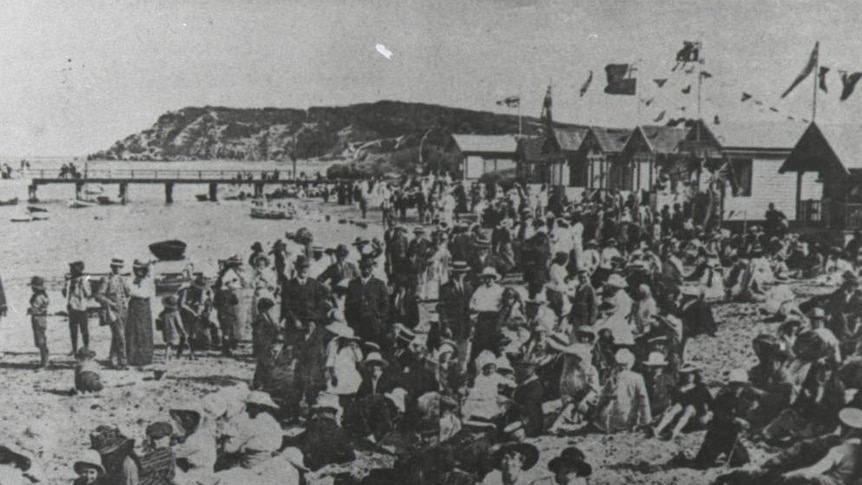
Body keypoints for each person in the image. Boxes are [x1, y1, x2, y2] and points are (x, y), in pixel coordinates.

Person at [778, 407, 862, 485]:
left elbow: (812, 472)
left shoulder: (839, 450)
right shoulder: (858, 450)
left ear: (847, 429)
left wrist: (789, 475)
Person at [693, 368, 751, 469]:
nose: (737, 387)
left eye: (740, 384)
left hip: (731, 437)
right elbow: (719, 416)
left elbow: (746, 416)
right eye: (734, 384)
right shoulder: (722, 397)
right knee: (701, 464)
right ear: (730, 384)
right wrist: (735, 419)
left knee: (743, 461)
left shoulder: (744, 400)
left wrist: (744, 423)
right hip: (716, 435)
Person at [594, 348, 651, 433]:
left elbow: (602, 398)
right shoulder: (637, 378)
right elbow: (644, 400)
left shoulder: (613, 377)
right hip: (627, 420)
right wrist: (645, 421)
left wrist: (596, 414)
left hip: (609, 419)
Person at [651, 363, 712, 440]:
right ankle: (658, 429)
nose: (689, 376)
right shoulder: (679, 388)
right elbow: (674, 401)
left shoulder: (701, 388)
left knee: (689, 408)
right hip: (680, 415)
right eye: (686, 374)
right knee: (677, 406)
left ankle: (675, 432)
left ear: (695, 375)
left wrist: (708, 415)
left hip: (696, 417)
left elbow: (711, 403)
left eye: (691, 374)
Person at [297, 392, 356, 471]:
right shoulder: (336, 429)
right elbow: (351, 456)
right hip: (332, 467)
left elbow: (304, 447)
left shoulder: (313, 426)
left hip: (317, 467)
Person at [281, 256, 331, 342]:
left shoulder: (314, 283)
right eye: (301, 267)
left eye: (306, 267)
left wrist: (315, 319)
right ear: (296, 268)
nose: (304, 270)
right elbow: (286, 306)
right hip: (295, 322)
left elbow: (320, 303)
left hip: (312, 321)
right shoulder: (289, 285)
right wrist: (295, 320)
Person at [438, 261, 474, 372]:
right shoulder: (445, 288)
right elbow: (442, 308)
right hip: (451, 324)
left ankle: (460, 374)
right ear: (453, 273)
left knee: (463, 352)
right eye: (458, 273)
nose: (461, 275)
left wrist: (472, 325)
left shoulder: (468, 287)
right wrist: (446, 325)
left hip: (465, 325)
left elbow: (471, 307)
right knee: (449, 352)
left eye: (463, 272)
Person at [345, 256, 390, 347]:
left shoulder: (379, 284)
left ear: (372, 268)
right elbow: (348, 304)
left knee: (372, 346)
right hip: (356, 324)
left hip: (372, 325)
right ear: (360, 268)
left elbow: (385, 305)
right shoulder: (353, 284)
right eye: (363, 267)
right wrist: (350, 320)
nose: (366, 270)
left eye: (368, 267)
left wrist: (379, 318)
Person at [95, 258, 130, 369]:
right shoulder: (106, 279)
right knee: (120, 336)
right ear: (112, 267)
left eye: (119, 267)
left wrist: (126, 301)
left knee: (118, 336)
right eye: (115, 266)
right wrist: (111, 303)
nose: (117, 269)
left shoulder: (123, 279)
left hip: (124, 310)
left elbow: (128, 293)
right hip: (113, 311)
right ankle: (122, 361)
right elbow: (98, 296)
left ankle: (113, 360)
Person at [469, 267, 506, 364]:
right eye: (486, 278)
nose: (489, 280)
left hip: (495, 319)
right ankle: (474, 367)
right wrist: (473, 308)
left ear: (494, 279)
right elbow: (472, 302)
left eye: (491, 278)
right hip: (482, 318)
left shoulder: (500, 290)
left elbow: (505, 305)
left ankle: (497, 365)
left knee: (493, 343)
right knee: (478, 344)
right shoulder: (480, 290)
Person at [126, 260, 155, 366]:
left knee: (144, 331)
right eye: (137, 269)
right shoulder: (130, 280)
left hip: (145, 305)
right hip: (134, 305)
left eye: (142, 269)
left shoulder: (148, 280)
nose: (139, 271)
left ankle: (145, 358)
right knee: (133, 331)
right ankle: (133, 358)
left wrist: (150, 263)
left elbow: (152, 270)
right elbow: (128, 292)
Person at [178, 274, 212, 354]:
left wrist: (200, 311)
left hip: (195, 314)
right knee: (184, 333)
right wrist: (193, 312)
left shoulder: (201, 292)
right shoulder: (185, 291)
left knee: (193, 333)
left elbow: (201, 303)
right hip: (185, 313)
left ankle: (192, 353)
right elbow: (182, 304)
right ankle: (179, 352)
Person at [64, 260, 91, 356]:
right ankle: (74, 349)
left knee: (84, 330)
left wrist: (82, 285)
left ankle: (86, 348)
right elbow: (65, 294)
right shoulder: (70, 281)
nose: (70, 271)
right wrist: (65, 283)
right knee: (73, 330)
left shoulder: (83, 280)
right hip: (72, 308)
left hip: (81, 308)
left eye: (72, 269)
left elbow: (88, 293)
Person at [156, 295, 187, 363]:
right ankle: (167, 358)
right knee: (170, 345)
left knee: (168, 344)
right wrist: (182, 330)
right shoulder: (175, 313)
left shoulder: (164, 313)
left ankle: (169, 357)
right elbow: (179, 323)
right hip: (174, 331)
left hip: (166, 330)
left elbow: (159, 316)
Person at [27, 276, 50, 369]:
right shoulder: (42, 295)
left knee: (40, 341)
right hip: (39, 318)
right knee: (40, 340)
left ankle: (44, 362)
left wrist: (31, 310)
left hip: (38, 319)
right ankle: (44, 361)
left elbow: (38, 309)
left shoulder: (39, 296)